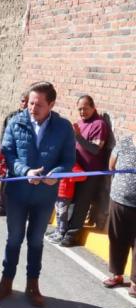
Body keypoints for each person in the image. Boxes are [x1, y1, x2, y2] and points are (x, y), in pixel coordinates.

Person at [0, 82, 75, 307]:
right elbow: (8, 153)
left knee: (36, 241)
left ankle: (32, 284)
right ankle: (6, 281)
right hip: (17, 194)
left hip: (44, 197)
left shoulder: (64, 128)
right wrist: (25, 171)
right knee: (14, 239)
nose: (32, 108)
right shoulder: (15, 122)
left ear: (51, 104)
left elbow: (68, 160)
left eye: (38, 104)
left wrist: (55, 174)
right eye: (30, 102)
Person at [60, 95, 109, 247]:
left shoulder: (99, 124)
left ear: (93, 107)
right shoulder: (80, 123)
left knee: (81, 203)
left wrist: (78, 137)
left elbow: (95, 149)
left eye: (85, 108)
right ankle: (64, 231)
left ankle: (72, 235)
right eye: (80, 109)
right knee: (72, 201)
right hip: (76, 171)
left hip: (90, 173)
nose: (82, 112)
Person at [102, 133, 136, 297]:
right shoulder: (124, 143)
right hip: (119, 200)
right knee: (117, 238)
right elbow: (111, 166)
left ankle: (135, 282)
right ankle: (117, 275)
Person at [0, 92, 29, 215]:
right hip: (10, 154)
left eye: (27, 101)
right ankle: (2, 206)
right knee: (5, 180)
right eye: (22, 101)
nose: (24, 104)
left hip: (23, 157)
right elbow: (3, 135)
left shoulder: (34, 119)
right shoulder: (11, 117)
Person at [45, 163, 87, 244]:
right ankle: (58, 230)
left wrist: (70, 176)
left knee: (62, 214)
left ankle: (61, 232)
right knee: (58, 213)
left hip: (65, 194)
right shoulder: (58, 162)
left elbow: (83, 176)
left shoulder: (72, 164)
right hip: (57, 193)